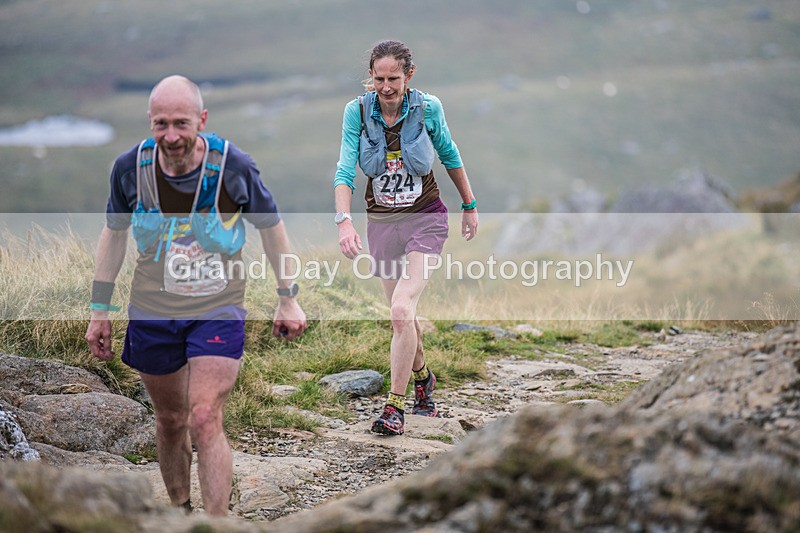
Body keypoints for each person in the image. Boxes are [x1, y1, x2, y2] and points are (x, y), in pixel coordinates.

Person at [85, 75, 307, 515]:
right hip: (152, 309)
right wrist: (99, 309)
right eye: (161, 124)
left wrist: (288, 296)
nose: (171, 136)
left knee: (204, 417)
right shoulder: (130, 169)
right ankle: (181, 513)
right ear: (150, 121)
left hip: (217, 307)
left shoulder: (233, 167)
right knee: (170, 421)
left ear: (202, 120)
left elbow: (272, 228)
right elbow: (114, 236)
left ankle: (216, 523)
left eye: (181, 124)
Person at [333, 40, 478, 435]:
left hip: (424, 221)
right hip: (381, 225)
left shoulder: (428, 108)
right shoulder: (357, 112)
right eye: (378, 79)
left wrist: (469, 204)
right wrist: (343, 221)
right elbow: (346, 168)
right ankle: (423, 380)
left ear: (408, 75)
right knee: (402, 318)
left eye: (393, 78)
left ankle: (394, 408)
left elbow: (449, 153)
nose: (385, 87)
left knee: (401, 309)